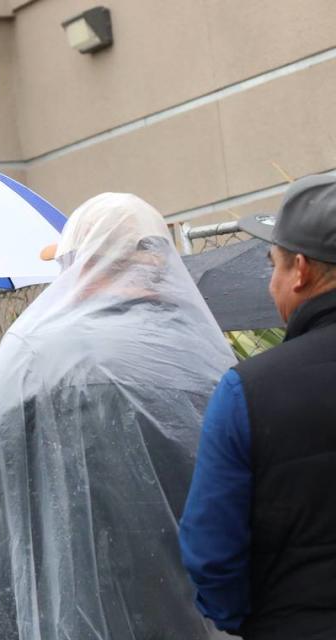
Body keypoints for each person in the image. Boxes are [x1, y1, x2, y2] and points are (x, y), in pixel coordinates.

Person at [0, 193, 236, 640]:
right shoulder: (201, 351)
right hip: (188, 612)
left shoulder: (45, 353)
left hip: (74, 609)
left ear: (86, 262)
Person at [180, 175, 336, 639]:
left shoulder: (248, 390)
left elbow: (211, 548)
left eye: (274, 266)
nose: (272, 284)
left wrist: (247, 620)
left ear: (301, 270)